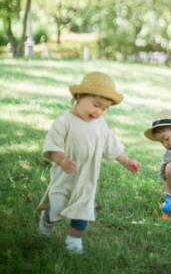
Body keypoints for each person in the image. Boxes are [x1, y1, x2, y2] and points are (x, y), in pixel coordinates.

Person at [37, 71, 141, 254]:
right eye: (96, 105)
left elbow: (112, 145)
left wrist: (126, 161)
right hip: (65, 177)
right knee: (58, 208)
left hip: (87, 179)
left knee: (83, 211)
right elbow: (52, 146)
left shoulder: (100, 124)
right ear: (78, 97)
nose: (99, 112)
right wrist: (61, 159)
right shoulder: (64, 121)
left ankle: (74, 240)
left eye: (104, 109)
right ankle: (47, 218)